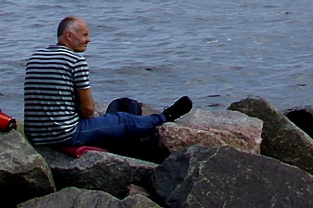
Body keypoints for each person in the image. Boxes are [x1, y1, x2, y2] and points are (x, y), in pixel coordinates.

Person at [23, 16, 191, 148]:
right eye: (85, 35)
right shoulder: (75, 60)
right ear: (69, 35)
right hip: (64, 135)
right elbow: (88, 109)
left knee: (110, 118)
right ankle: (164, 117)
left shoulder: (35, 57)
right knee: (123, 120)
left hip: (35, 135)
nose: (88, 40)